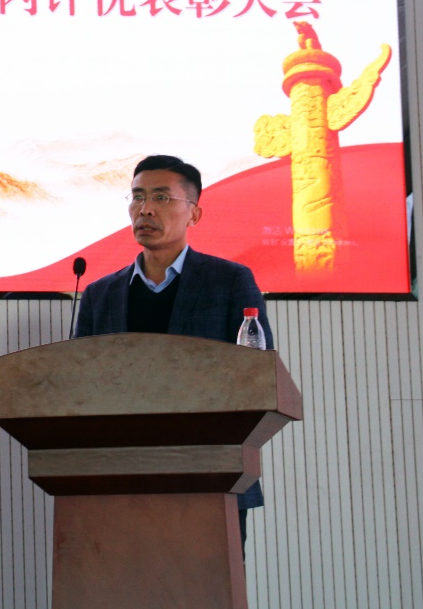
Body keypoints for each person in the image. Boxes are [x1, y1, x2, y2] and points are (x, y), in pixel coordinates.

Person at [73, 154, 273, 552]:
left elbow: (256, 375)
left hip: (209, 471)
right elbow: (80, 383)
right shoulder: (100, 294)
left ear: (194, 214)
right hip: (120, 475)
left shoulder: (230, 281)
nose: (145, 209)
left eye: (161, 197)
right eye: (137, 197)